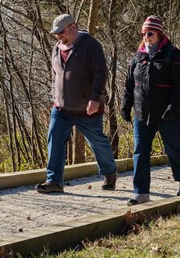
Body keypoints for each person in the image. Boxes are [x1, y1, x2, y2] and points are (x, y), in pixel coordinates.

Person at [35, 13, 118, 194]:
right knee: (54, 138)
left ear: (73, 28)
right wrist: (54, 95)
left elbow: (100, 73)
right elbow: (55, 75)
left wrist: (95, 99)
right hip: (61, 108)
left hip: (87, 108)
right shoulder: (57, 48)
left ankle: (110, 173)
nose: (58, 36)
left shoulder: (91, 46)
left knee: (97, 142)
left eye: (61, 32)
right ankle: (54, 181)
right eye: (56, 34)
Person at [120, 15, 180, 205]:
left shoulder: (174, 55)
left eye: (150, 33)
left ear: (159, 33)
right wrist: (125, 105)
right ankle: (141, 192)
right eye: (144, 33)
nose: (146, 36)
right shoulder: (138, 56)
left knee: (172, 149)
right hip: (142, 114)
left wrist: (172, 108)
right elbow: (130, 85)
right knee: (140, 151)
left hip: (169, 114)